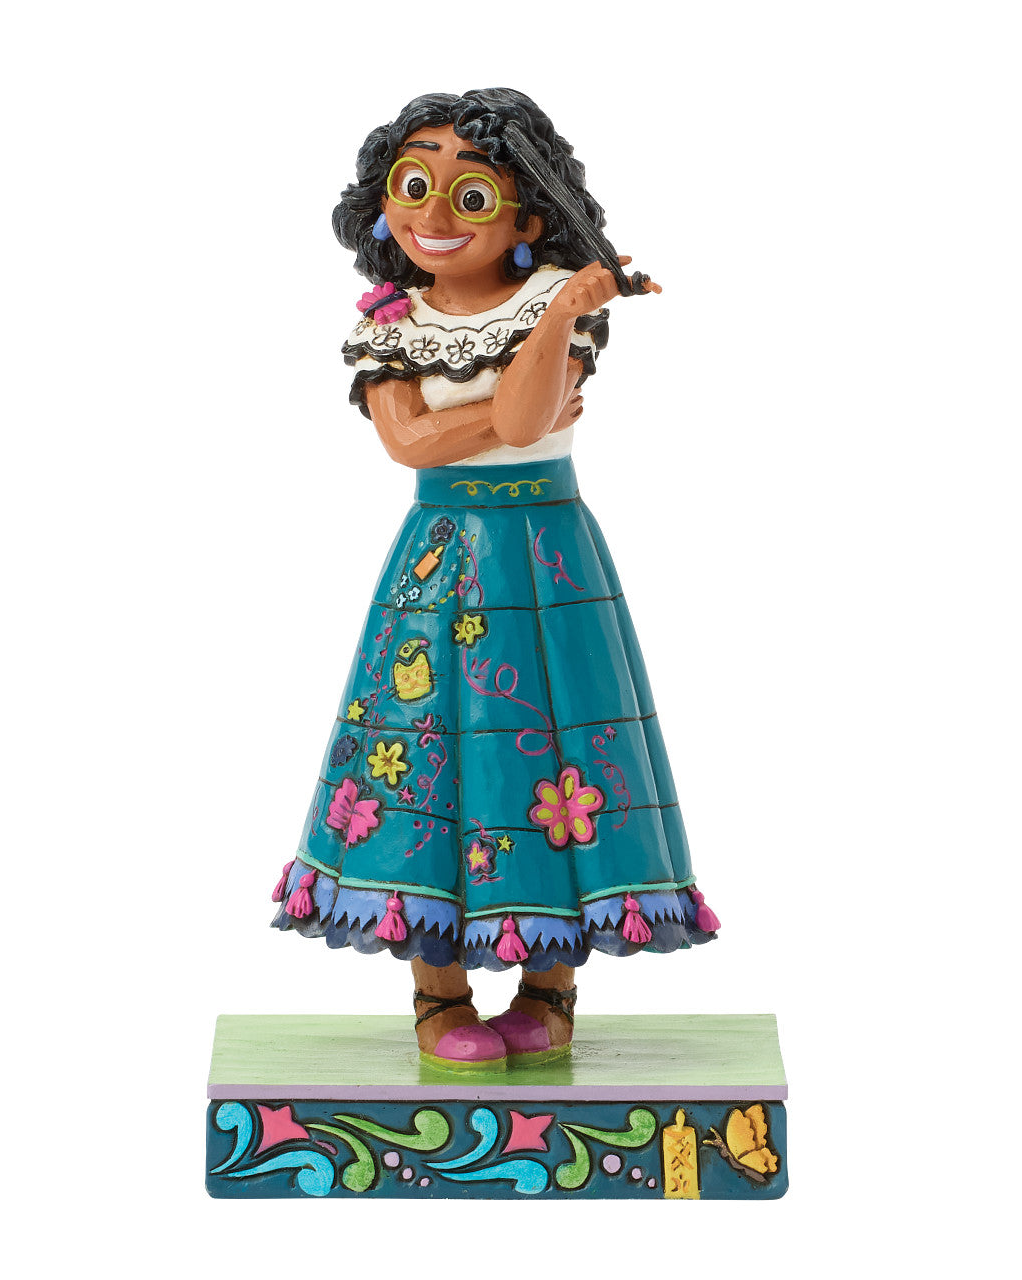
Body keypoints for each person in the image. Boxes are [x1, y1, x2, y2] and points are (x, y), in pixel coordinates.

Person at [272, 88, 719, 1070]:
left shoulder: (560, 300)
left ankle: (548, 984)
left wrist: (548, 331)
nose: (432, 215)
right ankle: (437, 994)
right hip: (439, 559)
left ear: (529, 218)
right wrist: (505, 408)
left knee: (558, 754)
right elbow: (414, 440)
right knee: (430, 755)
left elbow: (508, 423)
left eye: (469, 196)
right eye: (412, 187)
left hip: (548, 558)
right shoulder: (392, 321)